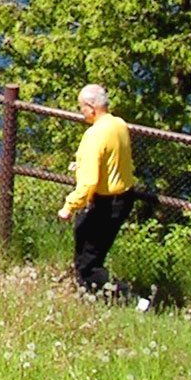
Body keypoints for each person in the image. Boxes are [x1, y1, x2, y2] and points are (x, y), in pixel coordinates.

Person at [57, 83, 139, 298]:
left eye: (81, 107)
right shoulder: (119, 125)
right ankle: (94, 296)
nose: (80, 112)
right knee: (93, 250)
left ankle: (129, 299)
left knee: (87, 261)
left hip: (105, 202)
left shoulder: (94, 135)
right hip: (124, 197)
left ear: (91, 107)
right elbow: (113, 159)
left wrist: (69, 206)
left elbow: (89, 182)